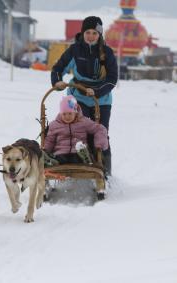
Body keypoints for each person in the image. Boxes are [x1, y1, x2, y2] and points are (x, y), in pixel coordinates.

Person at [50, 16, 117, 175]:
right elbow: (58, 68)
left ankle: (105, 171)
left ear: (99, 34)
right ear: (83, 32)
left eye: (94, 33)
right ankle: (77, 162)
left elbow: (112, 79)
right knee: (79, 130)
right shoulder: (74, 50)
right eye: (88, 32)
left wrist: (98, 91)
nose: (91, 36)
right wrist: (57, 82)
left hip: (102, 99)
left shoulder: (107, 53)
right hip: (78, 97)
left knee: (101, 132)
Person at [44, 95, 109, 165]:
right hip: (61, 152)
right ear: (60, 113)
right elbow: (50, 140)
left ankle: (86, 159)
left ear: (75, 112)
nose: (67, 117)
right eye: (64, 114)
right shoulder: (55, 124)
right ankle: (52, 162)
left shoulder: (83, 122)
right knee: (59, 159)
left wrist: (99, 143)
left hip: (78, 152)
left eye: (70, 113)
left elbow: (100, 129)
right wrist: (46, 151)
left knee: (78, 156)